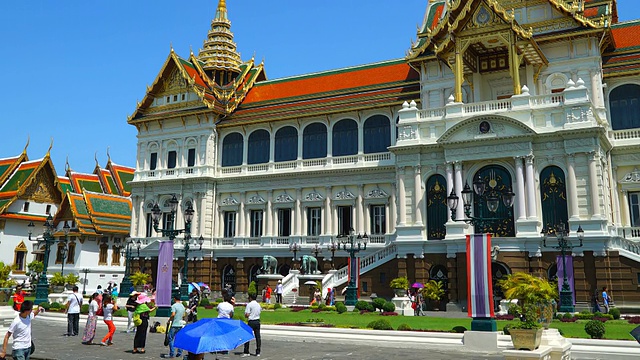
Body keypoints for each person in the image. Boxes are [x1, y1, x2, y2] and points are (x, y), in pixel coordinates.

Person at [242, 293, 261, 357]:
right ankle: (258, 351)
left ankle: (246, 351)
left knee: (247, 336)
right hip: (257, 321)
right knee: (258, 337)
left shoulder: (249, 305)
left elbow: (247, 315)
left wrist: (246, 315)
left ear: (250, 298)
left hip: (251, 321)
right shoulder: (258, 305)